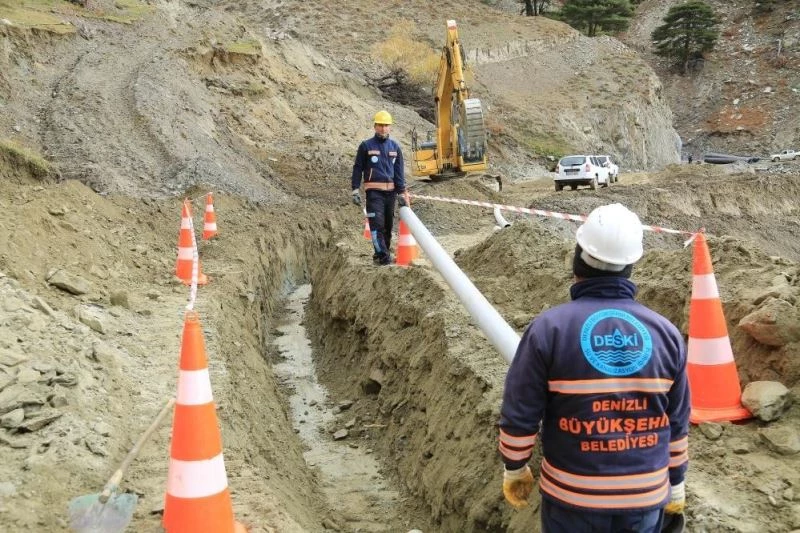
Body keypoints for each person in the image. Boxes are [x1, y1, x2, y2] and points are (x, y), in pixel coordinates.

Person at [498, 203, 690, 533]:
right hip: (644, 501)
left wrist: (515, 467)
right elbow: (677, 419)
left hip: (572, 501)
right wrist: (676, 481)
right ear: (630, 266)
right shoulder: (665, 333)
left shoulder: (549, 329)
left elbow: (520, 411)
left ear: (577, 257)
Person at [351, 110, 410, 266]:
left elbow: (399, 172)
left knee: (387, 227)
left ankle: (381, 254)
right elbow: (358, 168)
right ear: (375, 126)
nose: (383, 129)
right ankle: (384, 258)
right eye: (380, 125)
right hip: (374, 194)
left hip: (390, 194)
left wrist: (401, 193)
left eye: (386, 126)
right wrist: (355, 189)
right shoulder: (366, 146)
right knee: (376, 225)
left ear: (390, 127)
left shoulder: (395, 147)